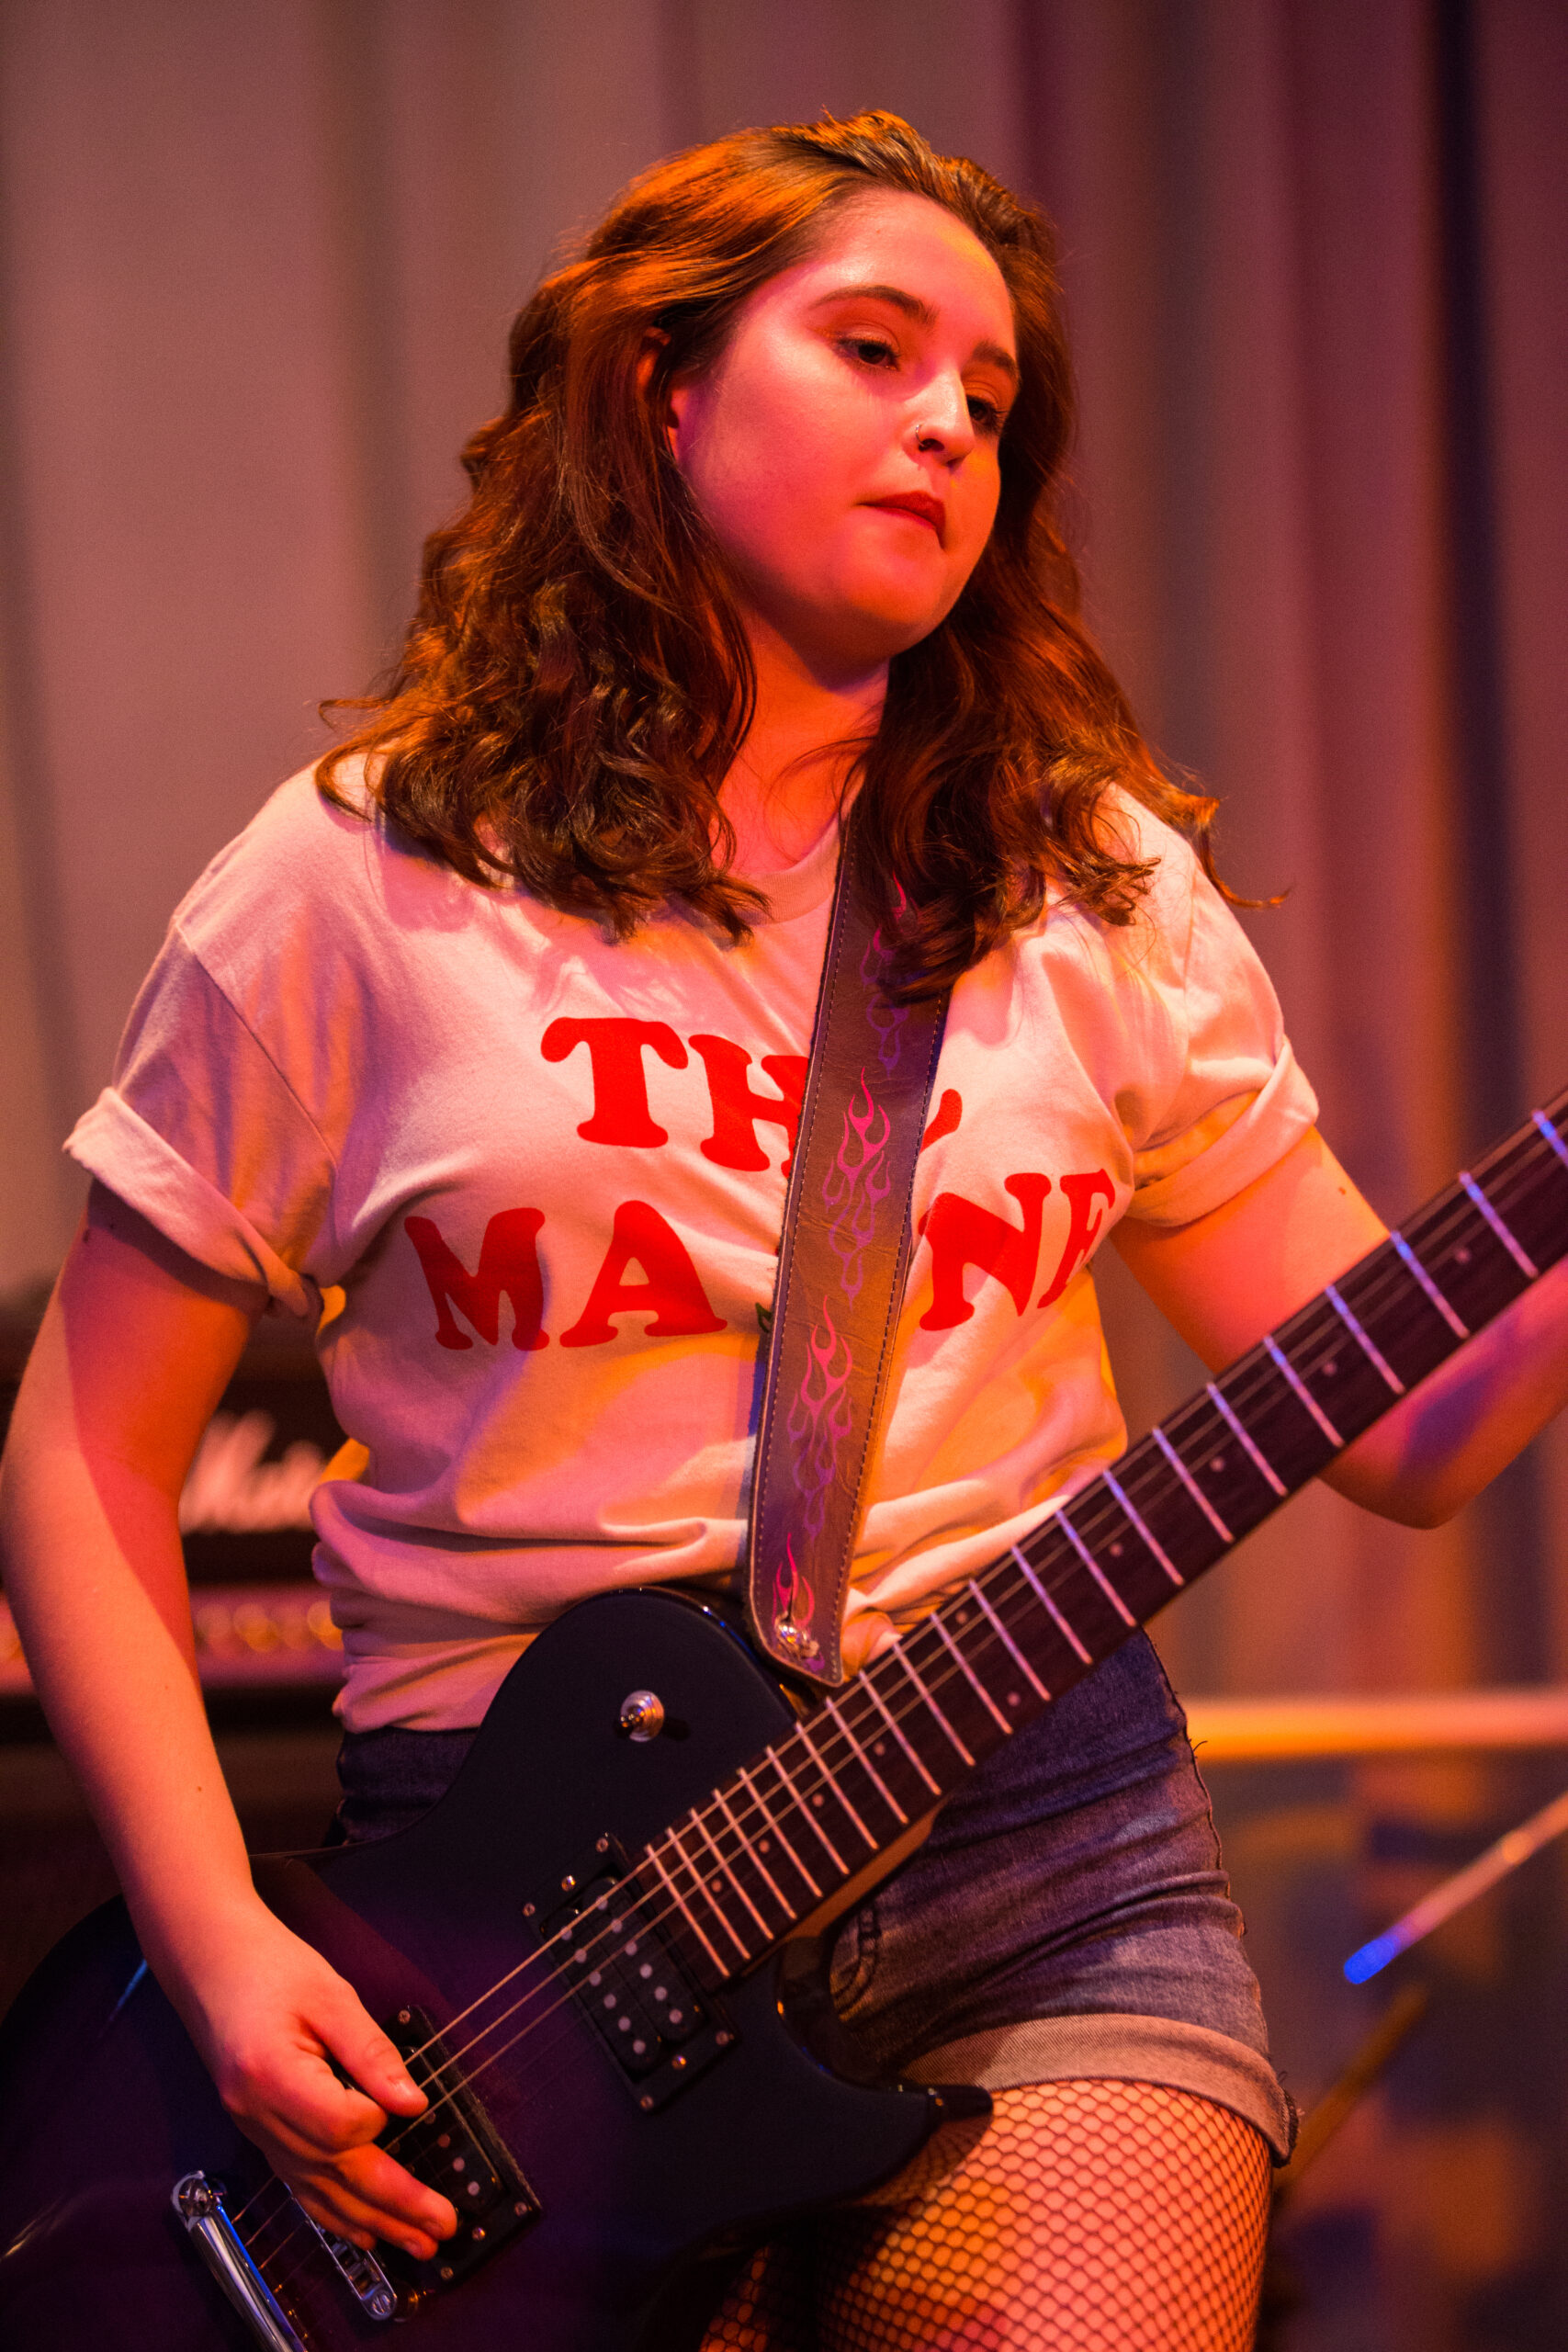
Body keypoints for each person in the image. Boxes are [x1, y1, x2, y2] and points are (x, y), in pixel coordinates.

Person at [5, 110, 1568, 2350]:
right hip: (507, 1941)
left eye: (992, 397)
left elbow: (1409, 1431)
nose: (947, 418)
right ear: (661, 390)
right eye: (870, 347)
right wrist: (220, 1938)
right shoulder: (357, 881)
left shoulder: (1091, 892)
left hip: (1039, 1865)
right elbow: (81, 1456)